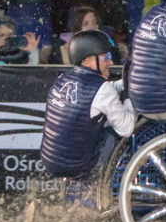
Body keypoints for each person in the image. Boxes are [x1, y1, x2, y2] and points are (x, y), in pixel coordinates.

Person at [37, 29, 138, 188]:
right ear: (87, 61)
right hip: (80, 167)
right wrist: (130, 98)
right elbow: (127, 128)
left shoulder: (63, 79)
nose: (110, 63)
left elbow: (99, 93)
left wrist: (122, 84)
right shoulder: (102, 89)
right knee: (116, 131)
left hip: (50, 161)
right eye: (106, 58)